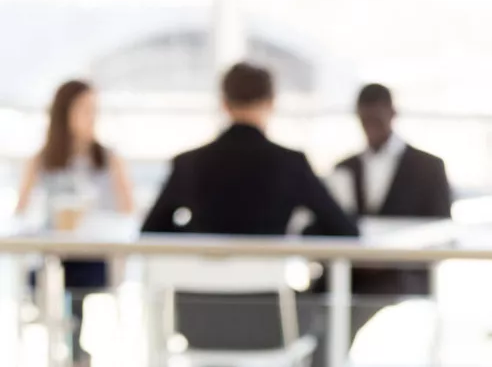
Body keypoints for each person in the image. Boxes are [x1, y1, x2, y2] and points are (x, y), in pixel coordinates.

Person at [141, 62, 358, 351]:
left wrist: (192, 231)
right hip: (273, 321)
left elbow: (151, 232)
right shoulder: (290, 163)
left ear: (224, 103)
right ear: (271, 103)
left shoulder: (189, 164)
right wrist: (302, 231)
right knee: (321, 315)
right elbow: (345, 230)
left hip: (197, 321)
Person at [307, 83, 452, 366]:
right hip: (349, 275)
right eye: (364, 120)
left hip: (401, 276)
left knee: (345, 321)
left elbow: (442, 230)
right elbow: (326, 225)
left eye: (376, 118)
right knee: (315, 316)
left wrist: (388, 256)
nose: (370, 127)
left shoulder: (428, 167)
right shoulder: (345, 167)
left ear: (392, 114)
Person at [15, 80, 135, 365]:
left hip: (92, 255)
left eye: (95, 110)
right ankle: (69, 348)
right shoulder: (41, 161)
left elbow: (128, 212)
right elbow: (21, 213)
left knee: (77, 279)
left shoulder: (108, 159)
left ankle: (76, 349)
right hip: (50, 254)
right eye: (84, 109)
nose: (91, 117)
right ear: (64, 112)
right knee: (50, 275)